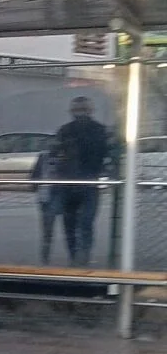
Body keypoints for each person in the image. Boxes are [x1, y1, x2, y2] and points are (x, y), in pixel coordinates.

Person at [52, 96, 110, 267]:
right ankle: (76, 257)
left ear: (90, 111)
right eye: (77, 110)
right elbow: (55, 154)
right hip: (70, 184)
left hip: (87, 182)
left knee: (85, 222)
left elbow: (107, 155)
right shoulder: (66, 131)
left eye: (83, 109)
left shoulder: (99, 131)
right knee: (70, 223)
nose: (80, 114)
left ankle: (82, 257)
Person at [29, 141, 63, 265]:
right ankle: (45, 256)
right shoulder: (44, 157)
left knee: (48, 230)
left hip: (53, 195)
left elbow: (34, 176)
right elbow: (35, 176)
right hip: (48, 196)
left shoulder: (63, 157)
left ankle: (45, 256)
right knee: (48, 229)